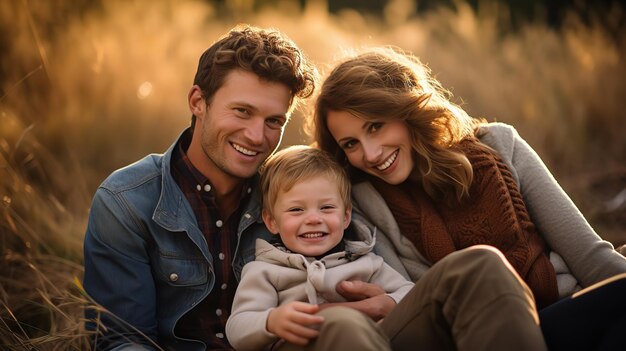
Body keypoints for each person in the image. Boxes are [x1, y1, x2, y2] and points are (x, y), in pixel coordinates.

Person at [309, 46, 626, 349]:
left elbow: (590, 257)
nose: (371, 154)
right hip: (475, 334)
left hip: (563, 307)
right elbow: (411, 305)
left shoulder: (501, 144)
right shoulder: (364, 200)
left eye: (376, 126)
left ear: (407, 109)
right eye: (350, 144)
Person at [82, 25, 318, 350]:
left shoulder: (294, 200)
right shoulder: (124, 202)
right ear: (198, 102)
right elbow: (123, 341)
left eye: (273, 121)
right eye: (242, 111)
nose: (256, 136)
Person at [225, 145, 415, 350]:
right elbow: (237, 328)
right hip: (297, 345)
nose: (314, 219)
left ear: (345, 217)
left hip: (359, 341)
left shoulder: (365, 263)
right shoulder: (264, 271)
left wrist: (388, 302)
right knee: (343, 322)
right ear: (272, 221)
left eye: (326, 208)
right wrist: (271, 321)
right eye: (296, 210)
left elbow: (411, 295)